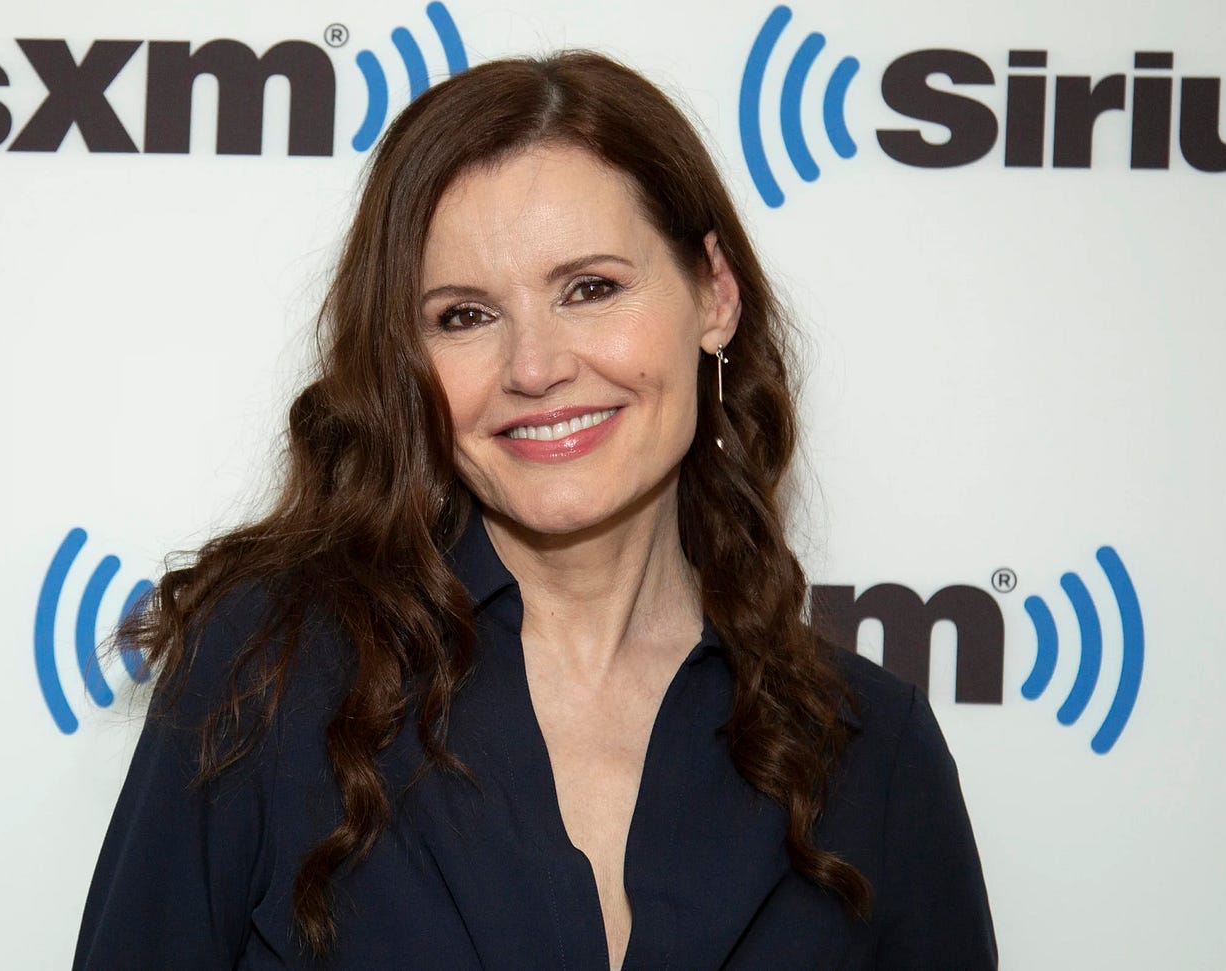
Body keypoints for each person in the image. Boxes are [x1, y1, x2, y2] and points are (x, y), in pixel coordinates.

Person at [73, 51, 997, 970]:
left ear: (714, 294)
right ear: (406, 362)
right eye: (464, 316)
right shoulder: (266, 679)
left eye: (590, 289)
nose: (534, 366)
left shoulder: (872, 752)